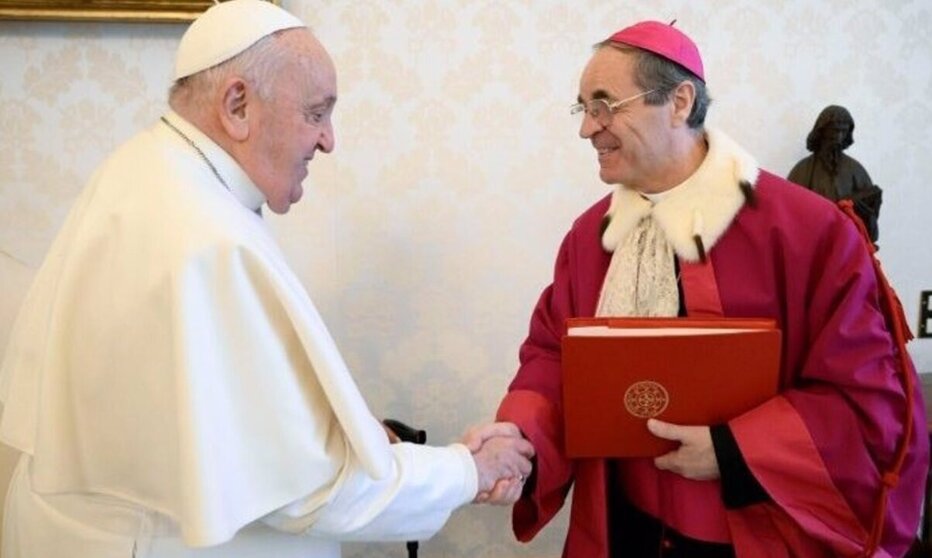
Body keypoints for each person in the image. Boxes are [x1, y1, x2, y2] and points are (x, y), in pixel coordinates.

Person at [0, 1, 532, 556]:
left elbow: (231, 417)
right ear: (237, 105)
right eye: (316, 113)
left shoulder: (149, 169)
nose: (328, 140)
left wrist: (354, 437)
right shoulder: (208, 236)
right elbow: (313, 491)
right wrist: (467, 470)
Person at [479, 20, 928, 557]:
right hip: (626, 528)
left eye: (604, 105)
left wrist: (736, 450)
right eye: (583, 109)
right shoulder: (589, 236)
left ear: (680, 101)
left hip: (752, 533)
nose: (587, 129)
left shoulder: (808, 231)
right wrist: (519, 437)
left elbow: (867, 402)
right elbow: (555, 356)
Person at [788, 105, 883, 244]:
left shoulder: (856, 171)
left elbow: (871, 231)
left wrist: (864, 212)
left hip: (848, 248)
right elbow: (789, 215)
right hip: (814, 246)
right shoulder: (802, 170)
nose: (838, 137)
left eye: (843, 132)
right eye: (834, 131)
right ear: (822, 131)